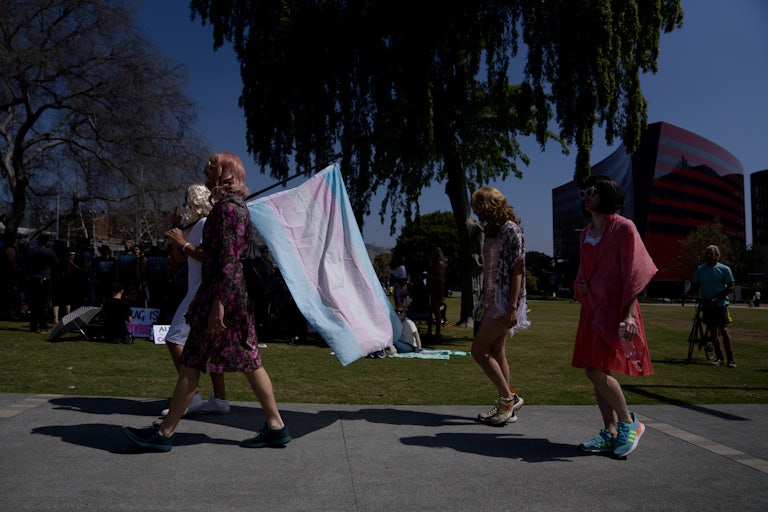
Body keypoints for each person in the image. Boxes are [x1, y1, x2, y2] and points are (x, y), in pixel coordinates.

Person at [124, 152, 290, 452]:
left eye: (210, 168)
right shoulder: (231, 207)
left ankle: (164, 433)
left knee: (193, 360)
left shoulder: (227, 209)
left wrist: (218, 304)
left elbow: (227, 259)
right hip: (227, 294)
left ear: (225, 174)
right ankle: (275, 425)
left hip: (221, 295)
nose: (205, 172)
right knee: (245, 360)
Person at [572, 176, 657, 458]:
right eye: (583, 192)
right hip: (593, 308)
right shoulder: (585, 233)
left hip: (616, 309)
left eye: (591, 192)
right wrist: (581, 284)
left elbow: (634, 271)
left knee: (595, 371)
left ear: (605, 194)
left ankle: (628, 424)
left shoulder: (623, 227)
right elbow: (584, 270)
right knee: (596, 371)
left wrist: (630, 315)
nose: (585, 196)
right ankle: (610, 432)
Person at [163, 183, 229, 415]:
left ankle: (191, 396)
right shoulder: (197, 225)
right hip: (201, 289)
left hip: (199, 291)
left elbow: (206, 257)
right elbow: (180, 259)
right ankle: (220, 400)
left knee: (173, 339)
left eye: (186, 200)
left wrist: (183, 242)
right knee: (209, 347)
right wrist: (176, 233)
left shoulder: (203, 223)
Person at [469, 186, 529, 426]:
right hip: (492, 299)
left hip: (505, 301)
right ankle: (508, 405)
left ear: (488, 206)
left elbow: (518, 270)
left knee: (478, 350)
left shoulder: (511, 230)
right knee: (496, 351)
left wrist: (513, 306)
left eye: (478, 208)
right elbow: (490, 270)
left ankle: (507, 400)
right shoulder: (491, 231)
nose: (476, 214)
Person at [687, 245, 737, 368]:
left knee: (724, 330)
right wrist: (688, 293)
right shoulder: (700, 269)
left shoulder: (724, 269)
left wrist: (717, 296)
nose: (708, 256)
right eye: (707, 254)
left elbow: (731, 287)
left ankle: (730, 359)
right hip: (707, 304)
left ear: (717, 256)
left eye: (711, 254)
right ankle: (720, 358)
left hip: (720, 304)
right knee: (713, 332)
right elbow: (695, 285)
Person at [24, 234, 59, 333]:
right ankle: (43, 324)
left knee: (34, 302)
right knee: (44, 303)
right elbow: (57, 264)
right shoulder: (50, 252)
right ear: (47, 242)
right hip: (46, 278)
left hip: (34, 278)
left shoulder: (32, 252)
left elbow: (27, 265)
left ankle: (33, 325)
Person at [426, 247, 446, 339]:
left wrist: (429, 276)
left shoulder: (440, 265)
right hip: (430, 289)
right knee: (429, 310)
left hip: (437, 289)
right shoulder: (432, 264)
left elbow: (441, 278)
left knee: (436, 310)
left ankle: (438, 332)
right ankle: (429, 330)